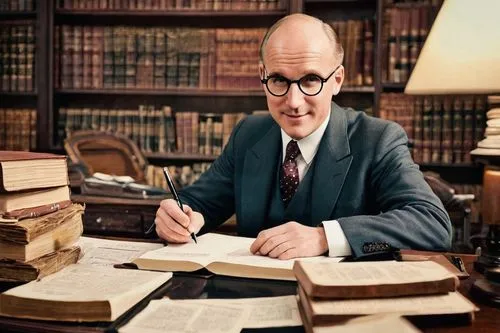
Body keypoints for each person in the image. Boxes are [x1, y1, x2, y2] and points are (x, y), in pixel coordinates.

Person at [154, 13, 452, 259]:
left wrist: (325, 237)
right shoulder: (248, 133)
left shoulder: (378, 139)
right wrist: (180, 216)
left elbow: (432, 224)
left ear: (337, 80)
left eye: (311, 80)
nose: (294, 101)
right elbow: (199, 202)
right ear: (262, 76)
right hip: (248, 301)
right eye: (279, 80)